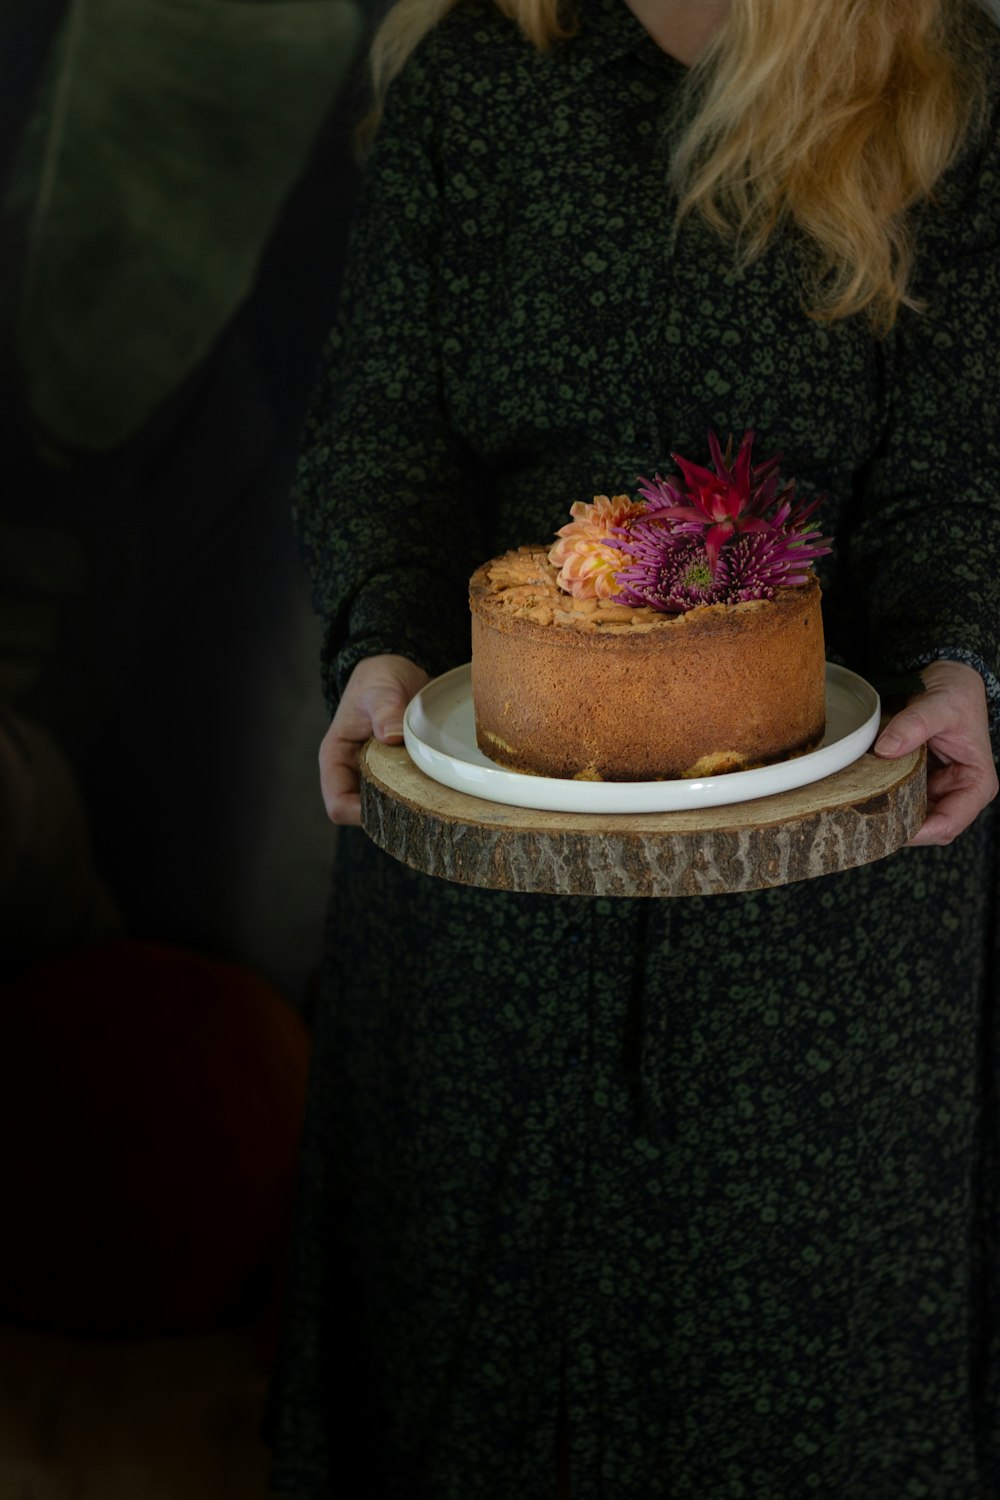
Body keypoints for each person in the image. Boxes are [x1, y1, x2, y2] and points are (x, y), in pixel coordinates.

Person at [265, 0, 1000, 1495]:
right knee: (473, 1385)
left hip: (832, 900)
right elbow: (382, 425)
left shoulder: (943, 79)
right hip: (488, 864)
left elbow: (959, 456)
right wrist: (384, 645)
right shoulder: (478, 69)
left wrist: (958, 660)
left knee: (803, 1397)